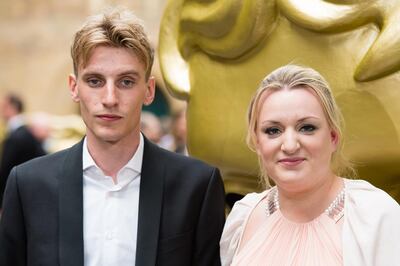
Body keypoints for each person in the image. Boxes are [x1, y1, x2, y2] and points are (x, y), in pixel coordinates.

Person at [0, 7, 225, 266]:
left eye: (126, 82)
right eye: (95, 81)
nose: (110, 99)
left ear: (149, 90)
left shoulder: (196, 185)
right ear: (74, 88)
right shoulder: (28, 185)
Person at [220, 65, 400, 265]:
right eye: (273, 130)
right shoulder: (242, 218)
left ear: (333, 137)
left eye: (306, 128)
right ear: (258, 143)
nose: (289, 145)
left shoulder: (376, 215)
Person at [0, 93, 46, 207]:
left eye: (3, 106)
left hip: (20, 195)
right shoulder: (25, 133)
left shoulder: (17, 136)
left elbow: (6, 170)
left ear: (12, 108)